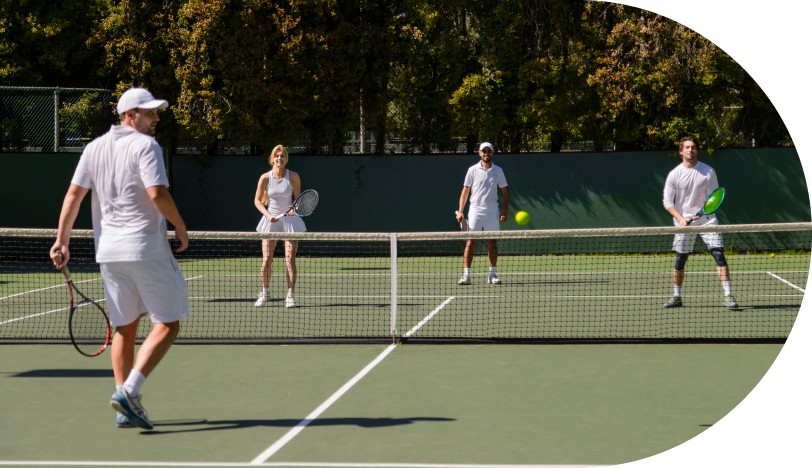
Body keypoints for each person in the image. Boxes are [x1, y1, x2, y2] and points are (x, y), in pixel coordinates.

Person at [49, 88, 189, 430]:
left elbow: (73, 196)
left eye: (156, 112)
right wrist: (181, 226)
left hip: (109, 254)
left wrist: (61, 240)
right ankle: (130, 391)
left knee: (124, 328)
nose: (156, 118)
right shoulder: (146, 146)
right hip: (145, 250)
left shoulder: (93, 147)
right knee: (168, 324)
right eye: (149, 112)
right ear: (130, 115)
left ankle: (124, 408)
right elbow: (157, 192)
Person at [662, 135, 737, 308]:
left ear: (697, 150)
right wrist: (681, 219)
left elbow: (713, 198)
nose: (690, 150)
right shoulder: (674, 174)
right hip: (683, 222)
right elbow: (667, 202)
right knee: (680, 259)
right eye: (687, 147)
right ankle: (676, 297)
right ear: (681, 151)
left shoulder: (708, 171)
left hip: (707, 221)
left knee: (719, 254)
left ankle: (728, 295)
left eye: (693, 147)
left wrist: (702, 211)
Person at [254, 145, 306, 308]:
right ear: (272, 159)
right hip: (270, 221)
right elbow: (257, 200)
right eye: (277, 156)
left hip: (290, 222)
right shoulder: (265, 178)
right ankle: (265, 292)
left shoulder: (294, 176)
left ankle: (290, 295)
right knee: (267, 260)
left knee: (290, 259)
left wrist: (294, 210)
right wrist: (268, 215)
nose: (279, 159)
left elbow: (298, 200)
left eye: (282, 156)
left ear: (286, 158)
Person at [456, 142, 510, 285]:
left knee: (492, 242)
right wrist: (461, 211)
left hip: (492, 211)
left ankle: (492, 275)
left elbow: (505, 191)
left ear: (492, 153)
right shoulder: (472, 170)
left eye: (489, 151)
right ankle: (466, 276)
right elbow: (465, 190)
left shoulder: (498, 171)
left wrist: (504, 210)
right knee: (471, 241)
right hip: (475, 211)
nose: (486, 153)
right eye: (483, 151)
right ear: (479, 153)